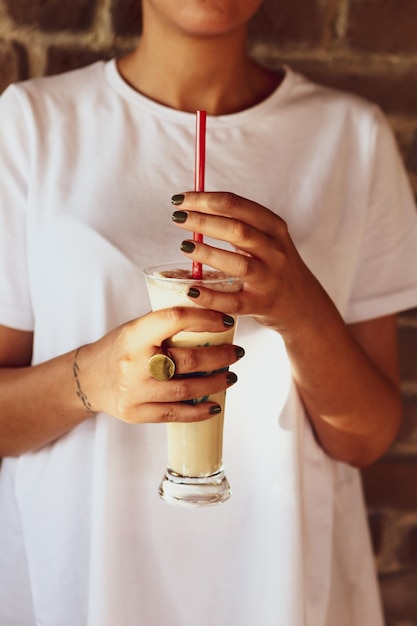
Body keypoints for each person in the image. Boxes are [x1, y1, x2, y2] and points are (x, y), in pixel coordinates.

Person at [1, 1, 417, 624]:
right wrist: (93, 377)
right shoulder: (30, 123)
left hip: (283, 582)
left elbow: (365, 438)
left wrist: (301, 309)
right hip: (81, 581)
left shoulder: (351, 136)